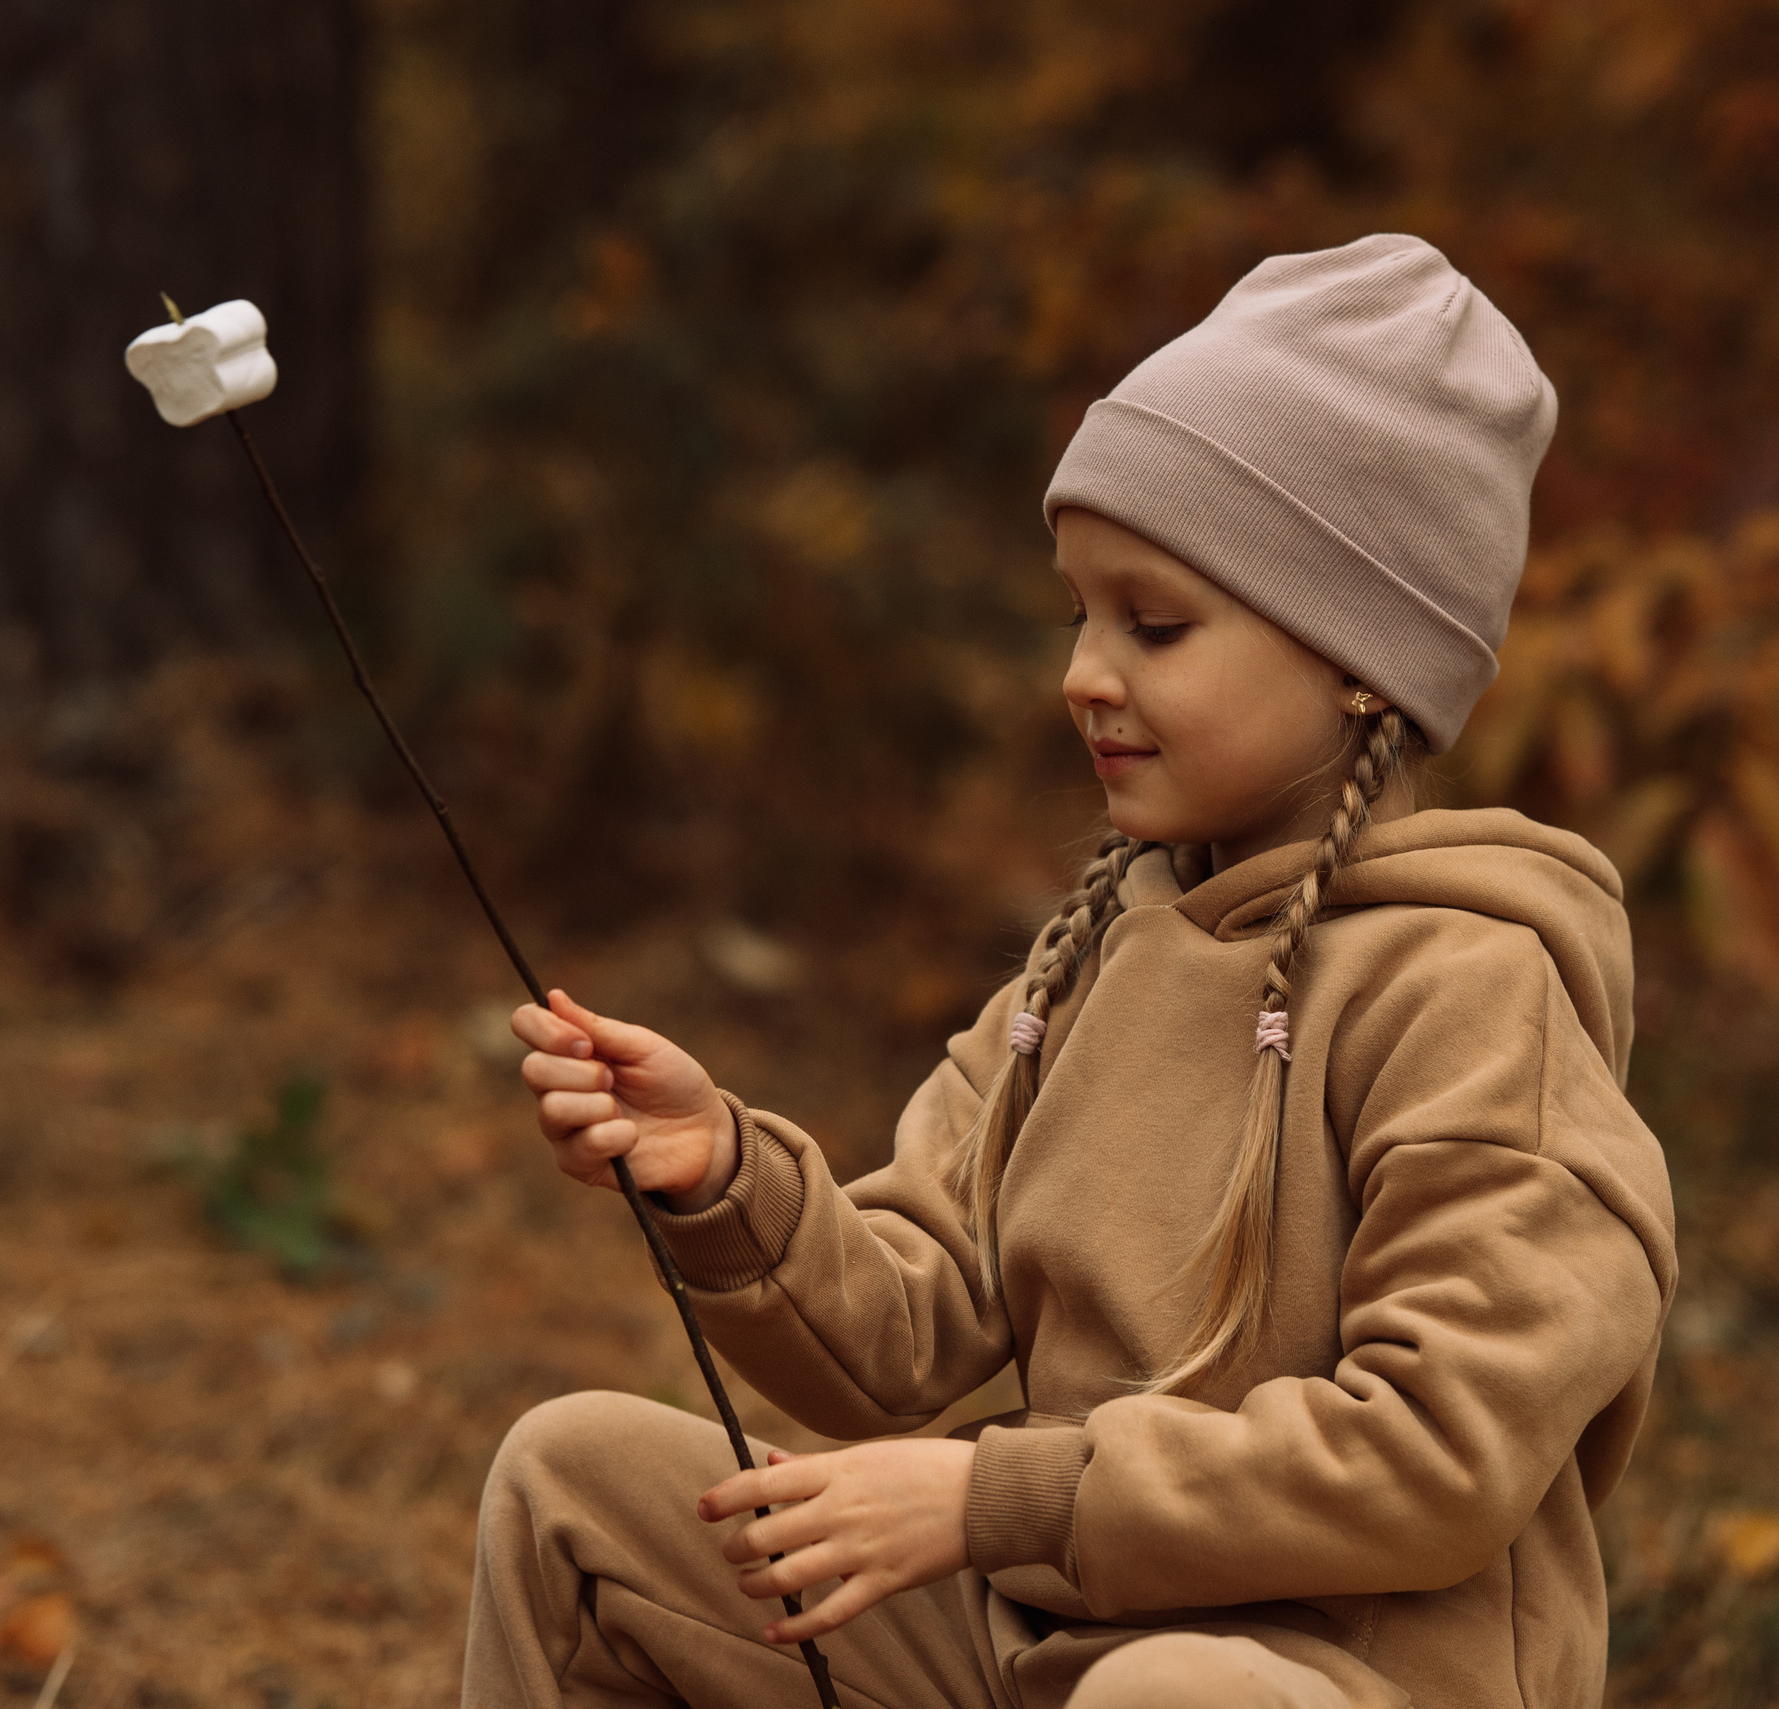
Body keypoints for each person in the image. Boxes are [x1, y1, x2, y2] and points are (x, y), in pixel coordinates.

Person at [465, 233, 1675, 1709]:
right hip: (1038, 1638)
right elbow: (901, 1329)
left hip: (1329, 1679)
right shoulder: (1097, 954)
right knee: (575, 1486)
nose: (1084, 673)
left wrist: (996, 1502)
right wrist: (721, 1177)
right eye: (1082, 612)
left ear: (1363, 658)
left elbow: (1439, 1454)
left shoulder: (1476, 991)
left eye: (1155, 623)